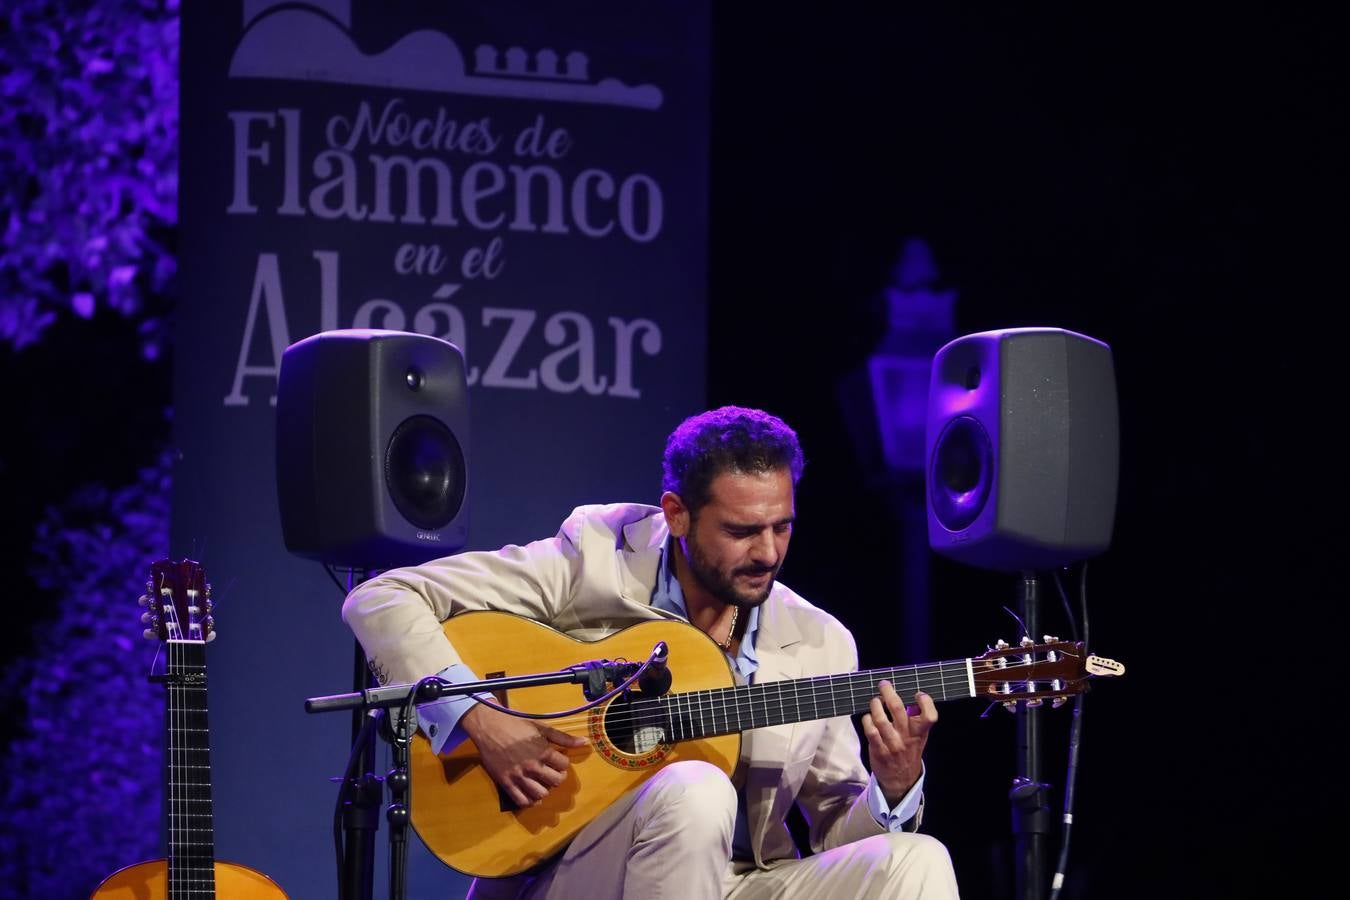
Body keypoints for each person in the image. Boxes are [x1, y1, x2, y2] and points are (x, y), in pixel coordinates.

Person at [343, 406, 959, 899]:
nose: (769, 552)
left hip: (748, 882)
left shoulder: (821, 640)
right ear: (677, 515)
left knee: (916, 859)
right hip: (570, 871)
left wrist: (893, 787)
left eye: (783, 527)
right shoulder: (595, 559)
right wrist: (482, 718)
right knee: (696, 788)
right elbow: (382, 598)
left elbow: (834, 834)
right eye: (743, 531)